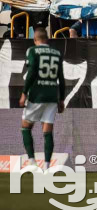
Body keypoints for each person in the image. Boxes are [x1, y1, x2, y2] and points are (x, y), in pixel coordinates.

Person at [19, 29, 65, 170]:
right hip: (52, 95)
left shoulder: (32, 51)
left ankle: (32, 162)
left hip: (37, 94)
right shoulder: (57, 54)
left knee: (25, 127)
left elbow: (32, 72)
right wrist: (61, 99)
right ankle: (46, 165)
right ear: (48, 39)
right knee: (47, 130)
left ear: (35, 39)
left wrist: (24, 93)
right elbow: (61, 79)